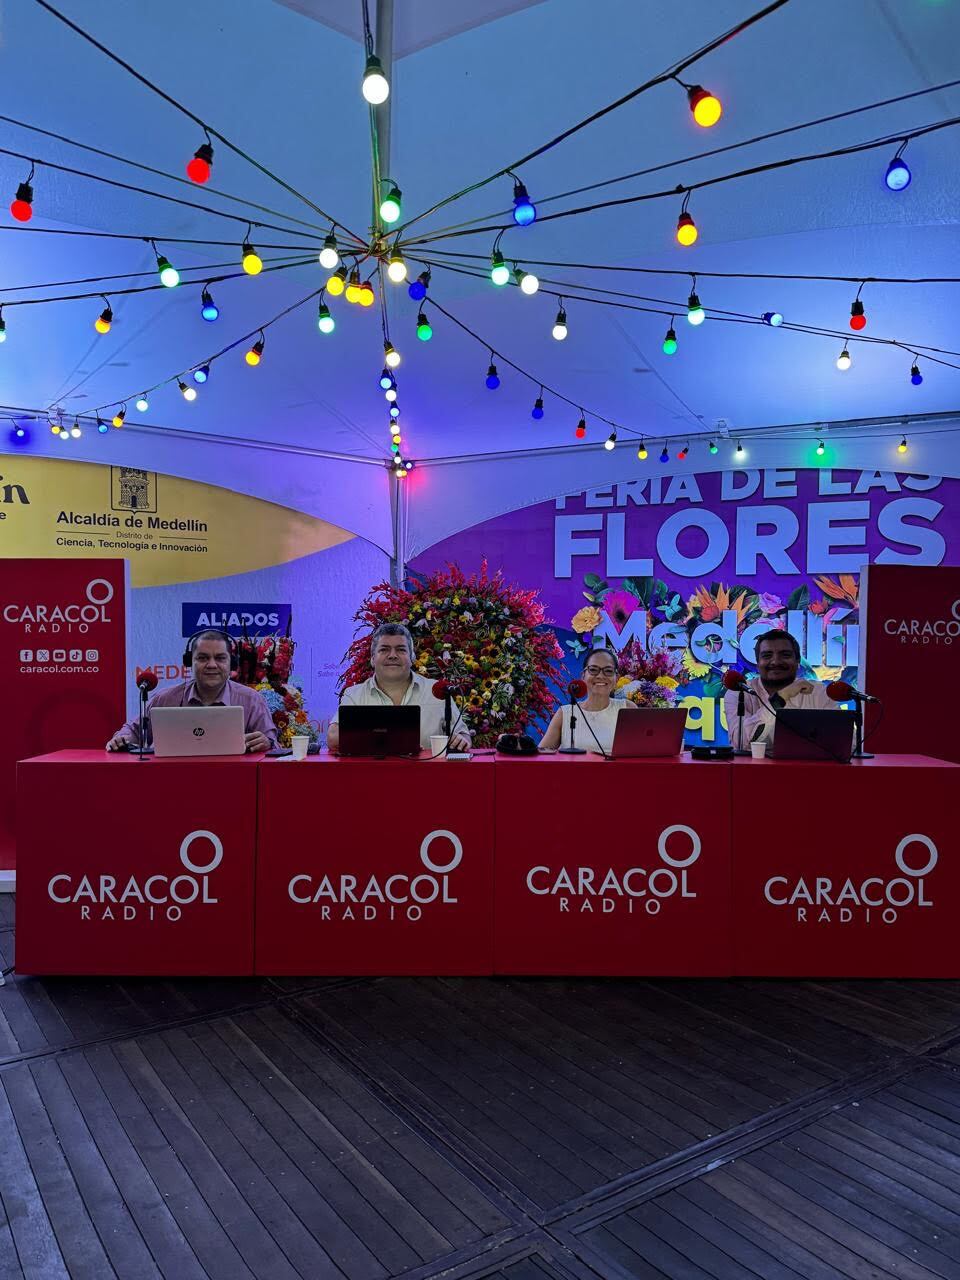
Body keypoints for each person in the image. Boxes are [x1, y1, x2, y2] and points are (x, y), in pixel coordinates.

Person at [106, 630, 276, 753]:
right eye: (202, 658)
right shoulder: (165, 699)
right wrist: (123, 738)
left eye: (220, 658)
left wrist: (266, 743)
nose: (211, 665)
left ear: (232, 663)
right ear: (189, 662)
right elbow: (133, 731)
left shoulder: (252, 700)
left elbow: (274, 748)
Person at [327, 622, 471, 753]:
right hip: (371, 778)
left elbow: (464, 736)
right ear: (372, 658)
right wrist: (398, 743)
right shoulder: (354, 695)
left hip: (427, 778)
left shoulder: (437, 691)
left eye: (401, 649)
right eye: (384, 649)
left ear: (412, 657)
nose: (392, 656)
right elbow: (333, 739)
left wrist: (461, 741)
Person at [724, 628, 837, 750]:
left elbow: (846, 743)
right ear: (757, 663)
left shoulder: (818, 692)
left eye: (785, 655)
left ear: (798, 661)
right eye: (767, 656)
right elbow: (740, 743)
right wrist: (781, 697)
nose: (776, 661)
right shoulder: (739, 693)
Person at [539, 646, 636, 755]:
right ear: (583, 676)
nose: (600, 676)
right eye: (593, 670)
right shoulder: (565, 714)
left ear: (616, 678)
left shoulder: (627, 709)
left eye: (608, 671)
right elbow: (540, 758)